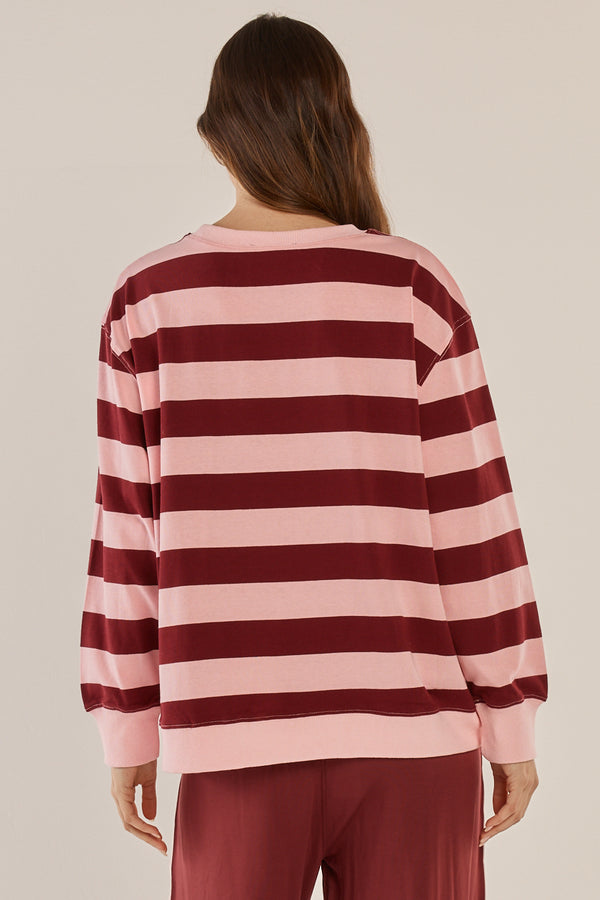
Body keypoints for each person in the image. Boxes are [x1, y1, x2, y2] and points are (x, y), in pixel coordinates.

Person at [79, 12, 548, 899]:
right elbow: (477, 528)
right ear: (339, 127)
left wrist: (127, 725)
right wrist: (511, 720)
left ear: (215, 136)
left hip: (231, 742)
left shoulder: (147, 302)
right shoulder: (413, 287)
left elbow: (126, 542)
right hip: (413, 741)